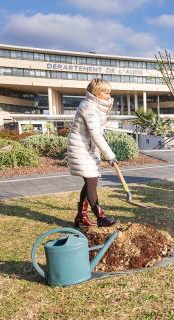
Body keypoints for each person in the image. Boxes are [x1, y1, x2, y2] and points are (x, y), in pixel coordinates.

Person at [67, 78, 118, 228]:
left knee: (90, 181)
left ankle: (81, 216)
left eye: (109, 92)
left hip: (88, 147)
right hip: (80, 147)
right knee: (91, 181)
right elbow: (96, 134)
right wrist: (110, 156)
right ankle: (100, 217)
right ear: (96, 92)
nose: (109, 95)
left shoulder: (96, 106)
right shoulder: (89, 107)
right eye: (105, 92)